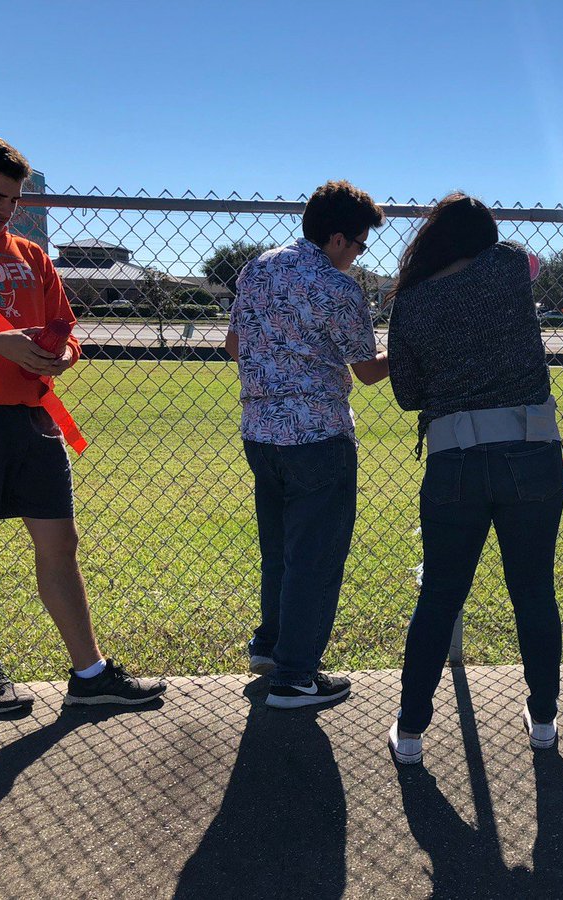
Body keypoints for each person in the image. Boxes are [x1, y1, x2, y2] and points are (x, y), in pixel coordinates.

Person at [0, 131, 167, 713]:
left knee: (60, 541)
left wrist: (64, 353)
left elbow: (66, 329)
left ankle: (90, 674)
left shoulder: (31, 255)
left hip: (32, 416)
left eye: (15, 201)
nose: (7, 211)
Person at [385, 193, 563, 765]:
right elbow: (508, 253)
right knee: (533, 590)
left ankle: (411, 732)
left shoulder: (410, 302)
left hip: (454, 456)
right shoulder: (508, 267)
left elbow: (407, 395)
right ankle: (543, 721)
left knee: (439, 596)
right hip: (531, 449)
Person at [225, 179, 389, 709]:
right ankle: (297, 676)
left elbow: (234, 344)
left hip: (260, 432)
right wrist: (411, 353)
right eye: (360, 245)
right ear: (339, 239)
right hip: (318, 434)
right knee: (315, 557)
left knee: (279, 550)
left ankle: (271, 647)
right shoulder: (337, 287)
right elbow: (366, 371)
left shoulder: (258, 269)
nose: (359, 255)